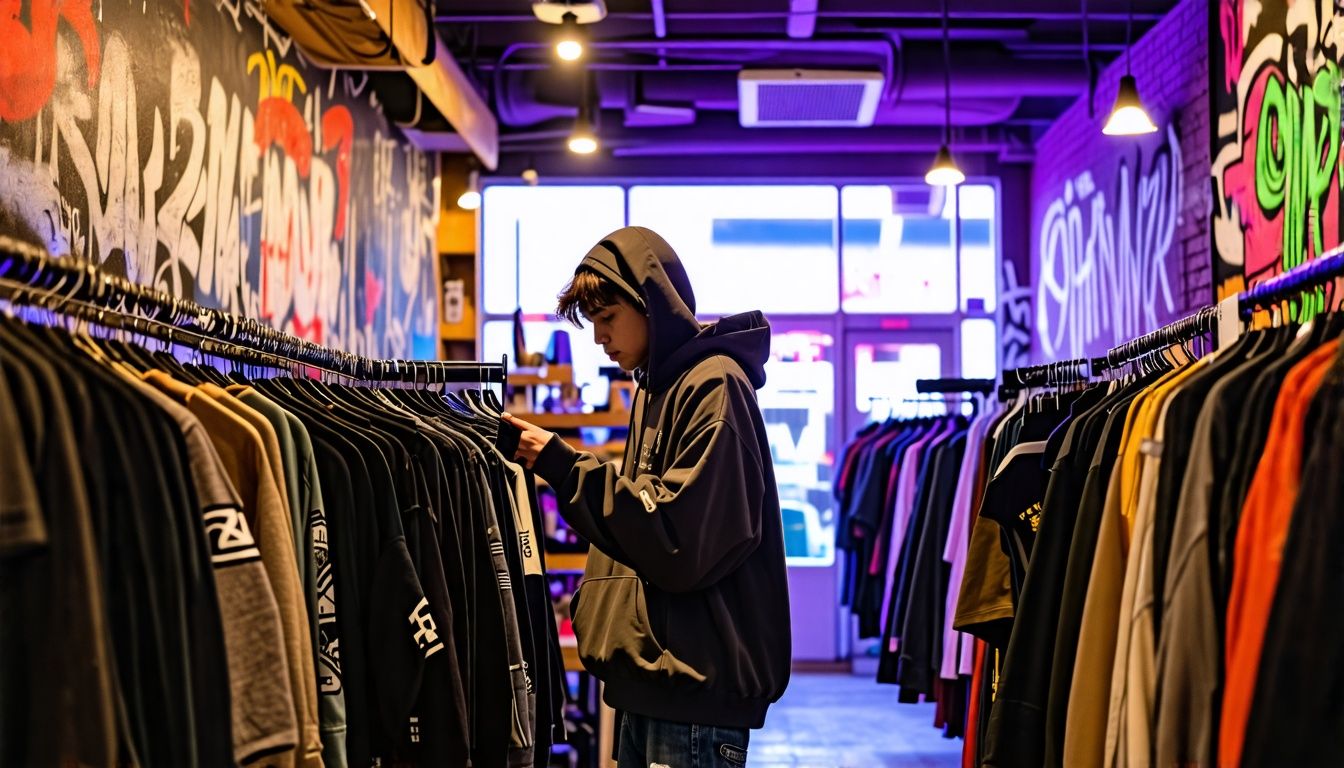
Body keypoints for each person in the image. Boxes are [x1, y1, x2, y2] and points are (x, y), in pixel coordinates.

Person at [501, 226, 791, 768]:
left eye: (608, 319)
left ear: (651, 304)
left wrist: (564, 466)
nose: (598, 338)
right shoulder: (654, 389)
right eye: (593, 323)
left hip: (694, 697)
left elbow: (680, 539)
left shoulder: (715, 386)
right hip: (652, 682)